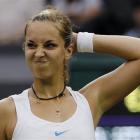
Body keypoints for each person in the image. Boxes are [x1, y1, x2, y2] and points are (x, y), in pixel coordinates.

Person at [0, 6, 140, 140]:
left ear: (68, 50)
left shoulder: (88, 102)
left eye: (50, 45)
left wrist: (79, 40)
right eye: (31, 45)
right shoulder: (7, 110)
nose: (39, 53)